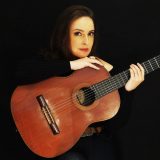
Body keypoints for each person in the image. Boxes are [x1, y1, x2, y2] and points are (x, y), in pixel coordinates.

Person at [1, 4, 145, 160]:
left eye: (90, 34)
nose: (86, 41)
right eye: (78, 33)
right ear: (64, 35)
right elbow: (21, 72)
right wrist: (72, 65)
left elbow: (112, 127)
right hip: (59, 143)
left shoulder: (103, 71)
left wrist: (129, 91)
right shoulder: (50, 61)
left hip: (94, 141)